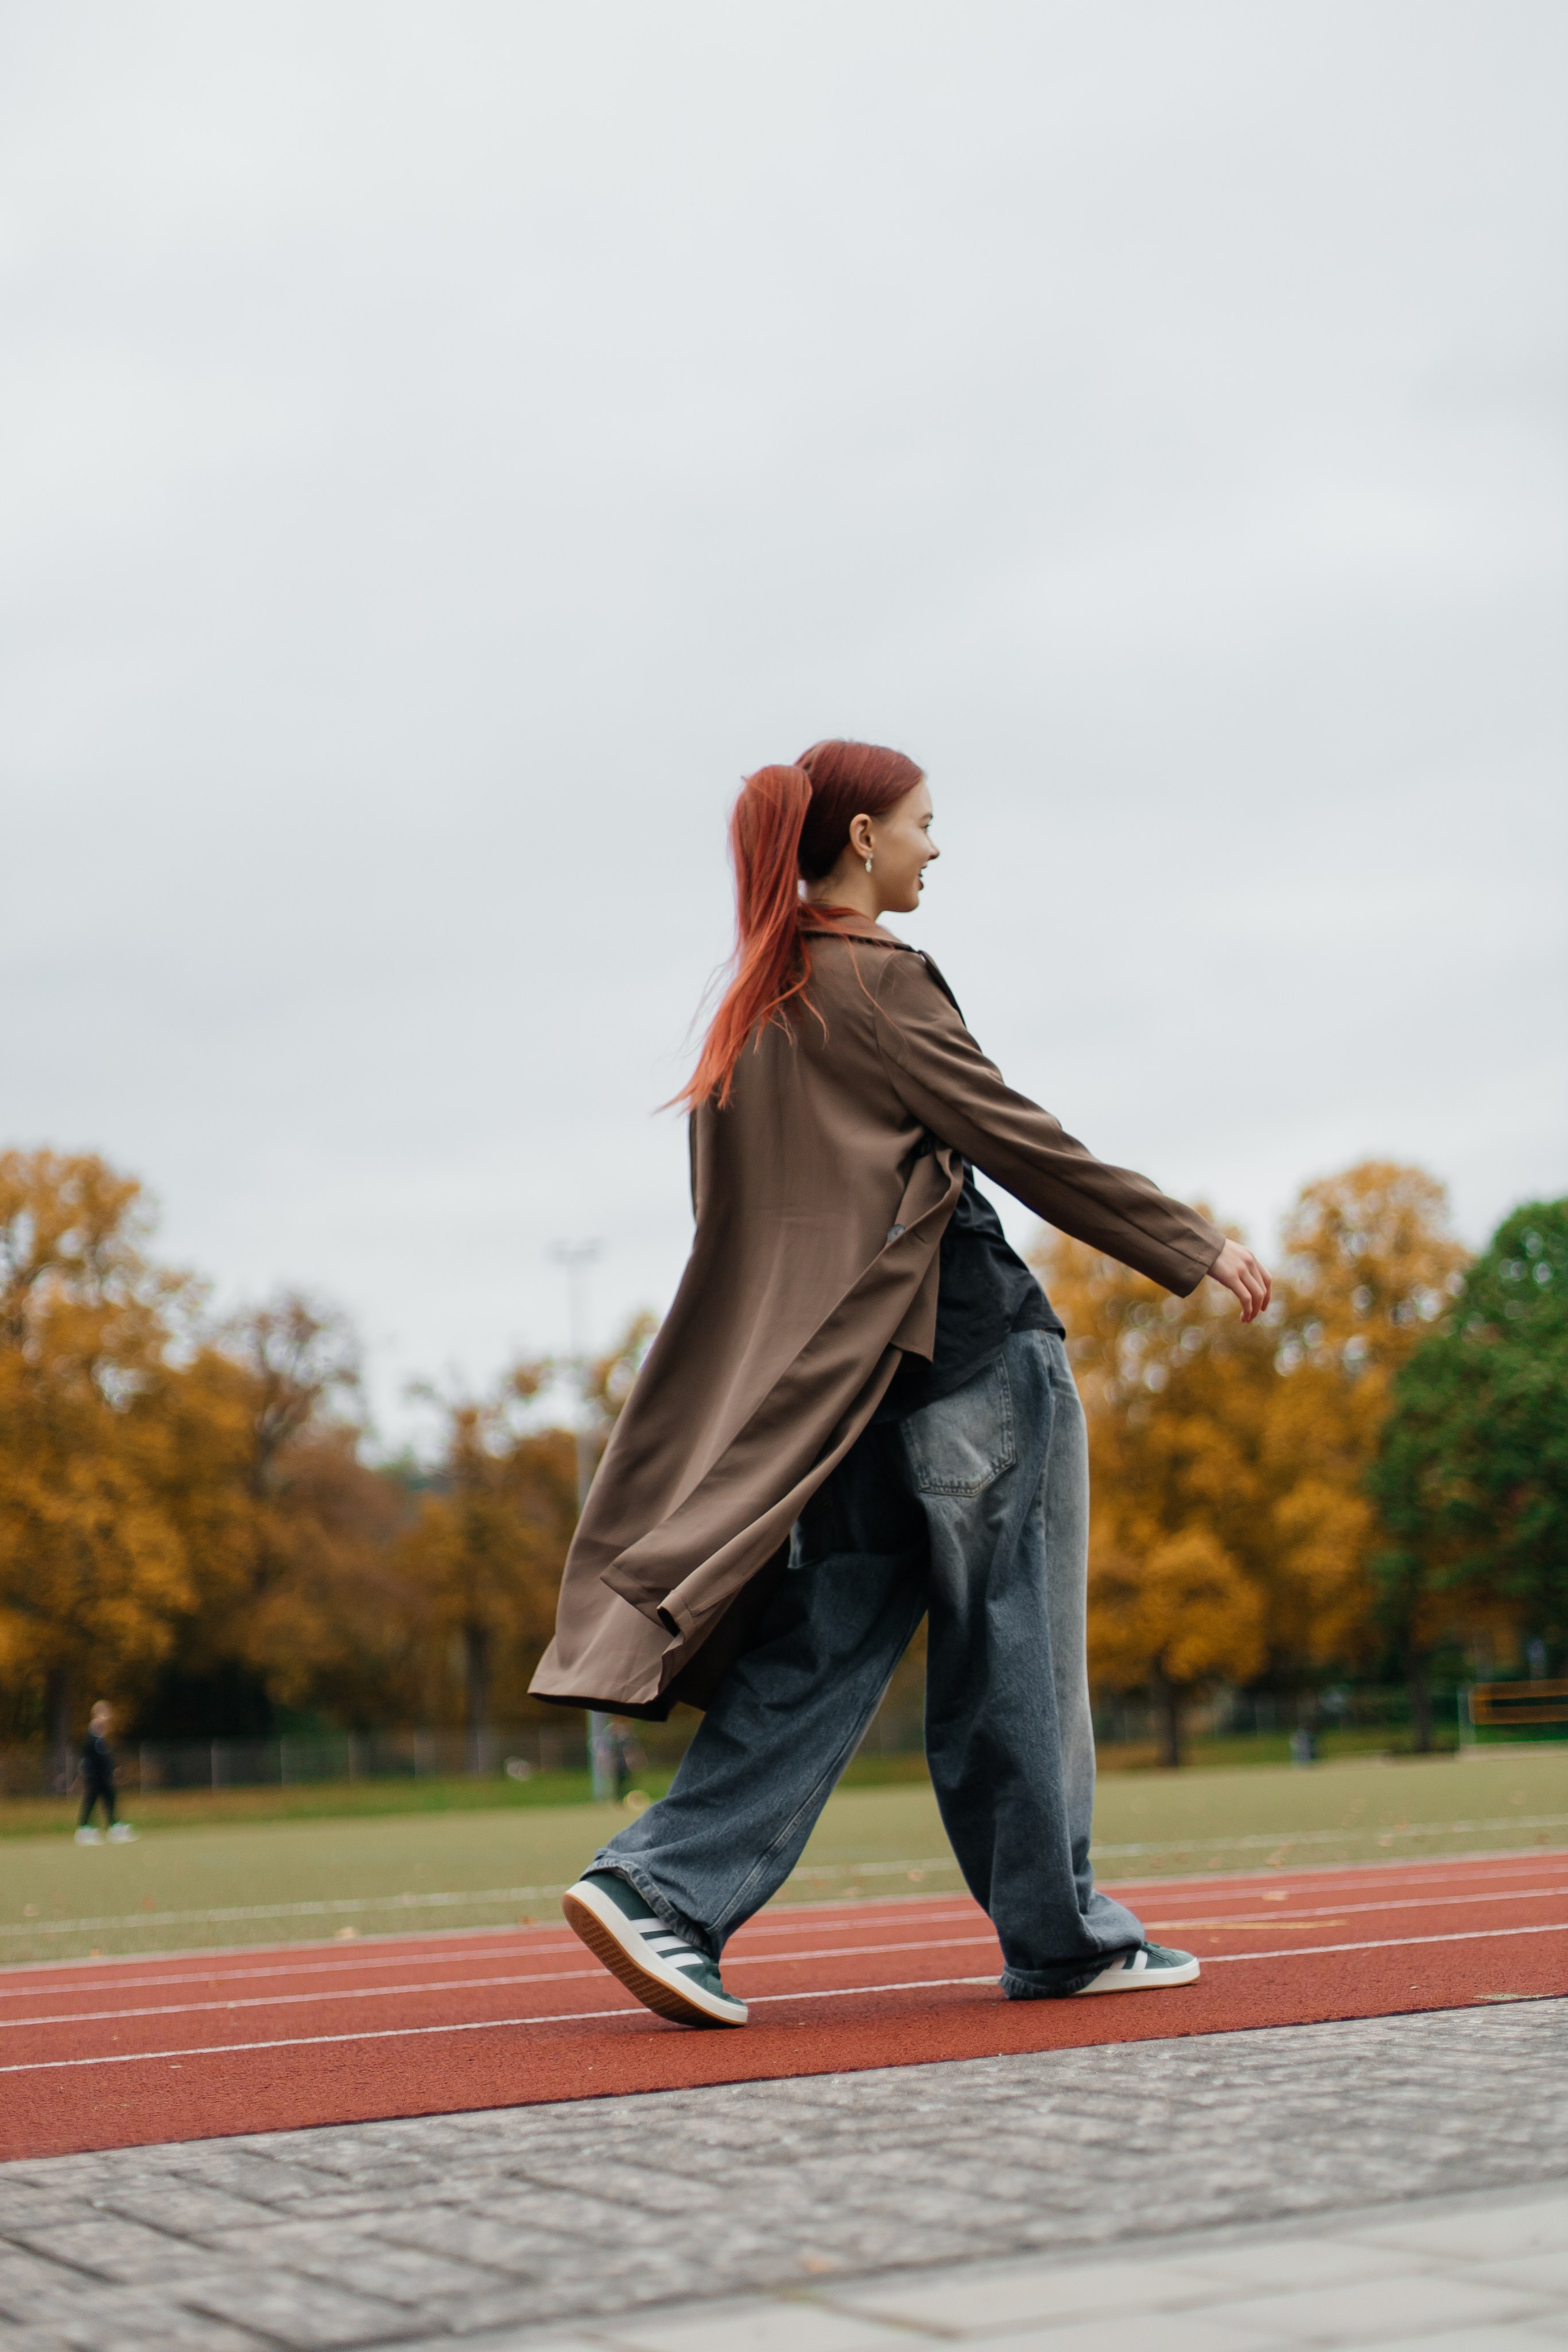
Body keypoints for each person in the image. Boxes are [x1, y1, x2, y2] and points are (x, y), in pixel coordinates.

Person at [533, 742, 1270, 2027]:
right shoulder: (873, 979)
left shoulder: (749, 1014)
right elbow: (1012, 1132)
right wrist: (1189, 1243)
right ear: (861, 838)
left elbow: (743, 1241)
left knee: (819, 1650)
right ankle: (1057, 1936)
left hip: (846, 1396)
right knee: (1016, 1649)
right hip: (975, 1359)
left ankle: (657, 1890)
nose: (937, 848)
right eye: (925, 825)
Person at [75, 1702, 135, 1844]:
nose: (108, 1716)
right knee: (92, 1800)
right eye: (105, 1713)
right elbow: (95, 1756)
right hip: (95, 1776)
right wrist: (104, 1771)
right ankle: (84, 1828)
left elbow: (103, 1756)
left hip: (101, 1775)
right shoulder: (93, 1733)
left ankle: (113, 1826)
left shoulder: (99, 1733)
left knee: (109, 1799)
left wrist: (111, 1770)